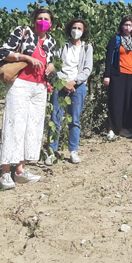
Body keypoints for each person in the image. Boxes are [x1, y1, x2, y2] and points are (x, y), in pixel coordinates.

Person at [0, 8, 56, 190]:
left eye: (46, 19)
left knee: (32, 128)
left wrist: (51, 66)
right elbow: (2, 52)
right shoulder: (23, 32)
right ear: (34, 20)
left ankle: (20, 170)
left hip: (40, 88)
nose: (43, 21)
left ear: (51, 24)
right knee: (14, 125)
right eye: (40, 18)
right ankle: (5, 173)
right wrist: (25, 57)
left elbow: (48, 60)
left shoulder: (51, 41)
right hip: (21, 84)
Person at [47, 18, 93, 165]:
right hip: (60, 85)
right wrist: (63, 82)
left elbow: (87, 69)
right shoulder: (62, 45)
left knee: (75, 119)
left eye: (80, 28)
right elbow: (55, 65)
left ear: (84, 31)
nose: (76, 31)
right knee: (55, 118)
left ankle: (73, 151)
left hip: (78, 87)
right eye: (74, 28)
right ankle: (51, 151)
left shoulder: (87, 48)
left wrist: (74, 82)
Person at [103, 17, 132, 140]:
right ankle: (111, 128)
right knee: (116, 101)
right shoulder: (116, 40)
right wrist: (107, 75)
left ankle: (123, 127)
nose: (127, 27)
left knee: (128, 102)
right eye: (125, 24)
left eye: (130, 25)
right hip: (118, 75)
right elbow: (109, 58)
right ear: (121, 26)